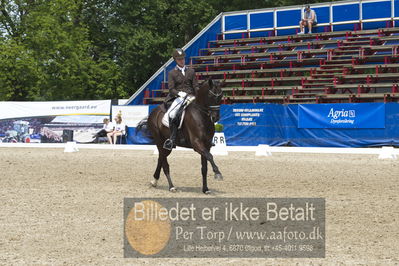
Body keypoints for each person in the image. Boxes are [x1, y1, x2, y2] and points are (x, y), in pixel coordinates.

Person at [162, 48, 198, 150]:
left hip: (191, 96)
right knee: (173, 114)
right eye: (179, 59)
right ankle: (172, 140)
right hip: (178, 97)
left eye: (183, 58)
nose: (182, 61)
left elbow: (195, 85)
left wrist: (197, 93)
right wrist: (179, 93)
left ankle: (207, 137)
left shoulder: (191, 71)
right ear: (175, 60)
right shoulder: (172, 73)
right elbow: (171, 89)